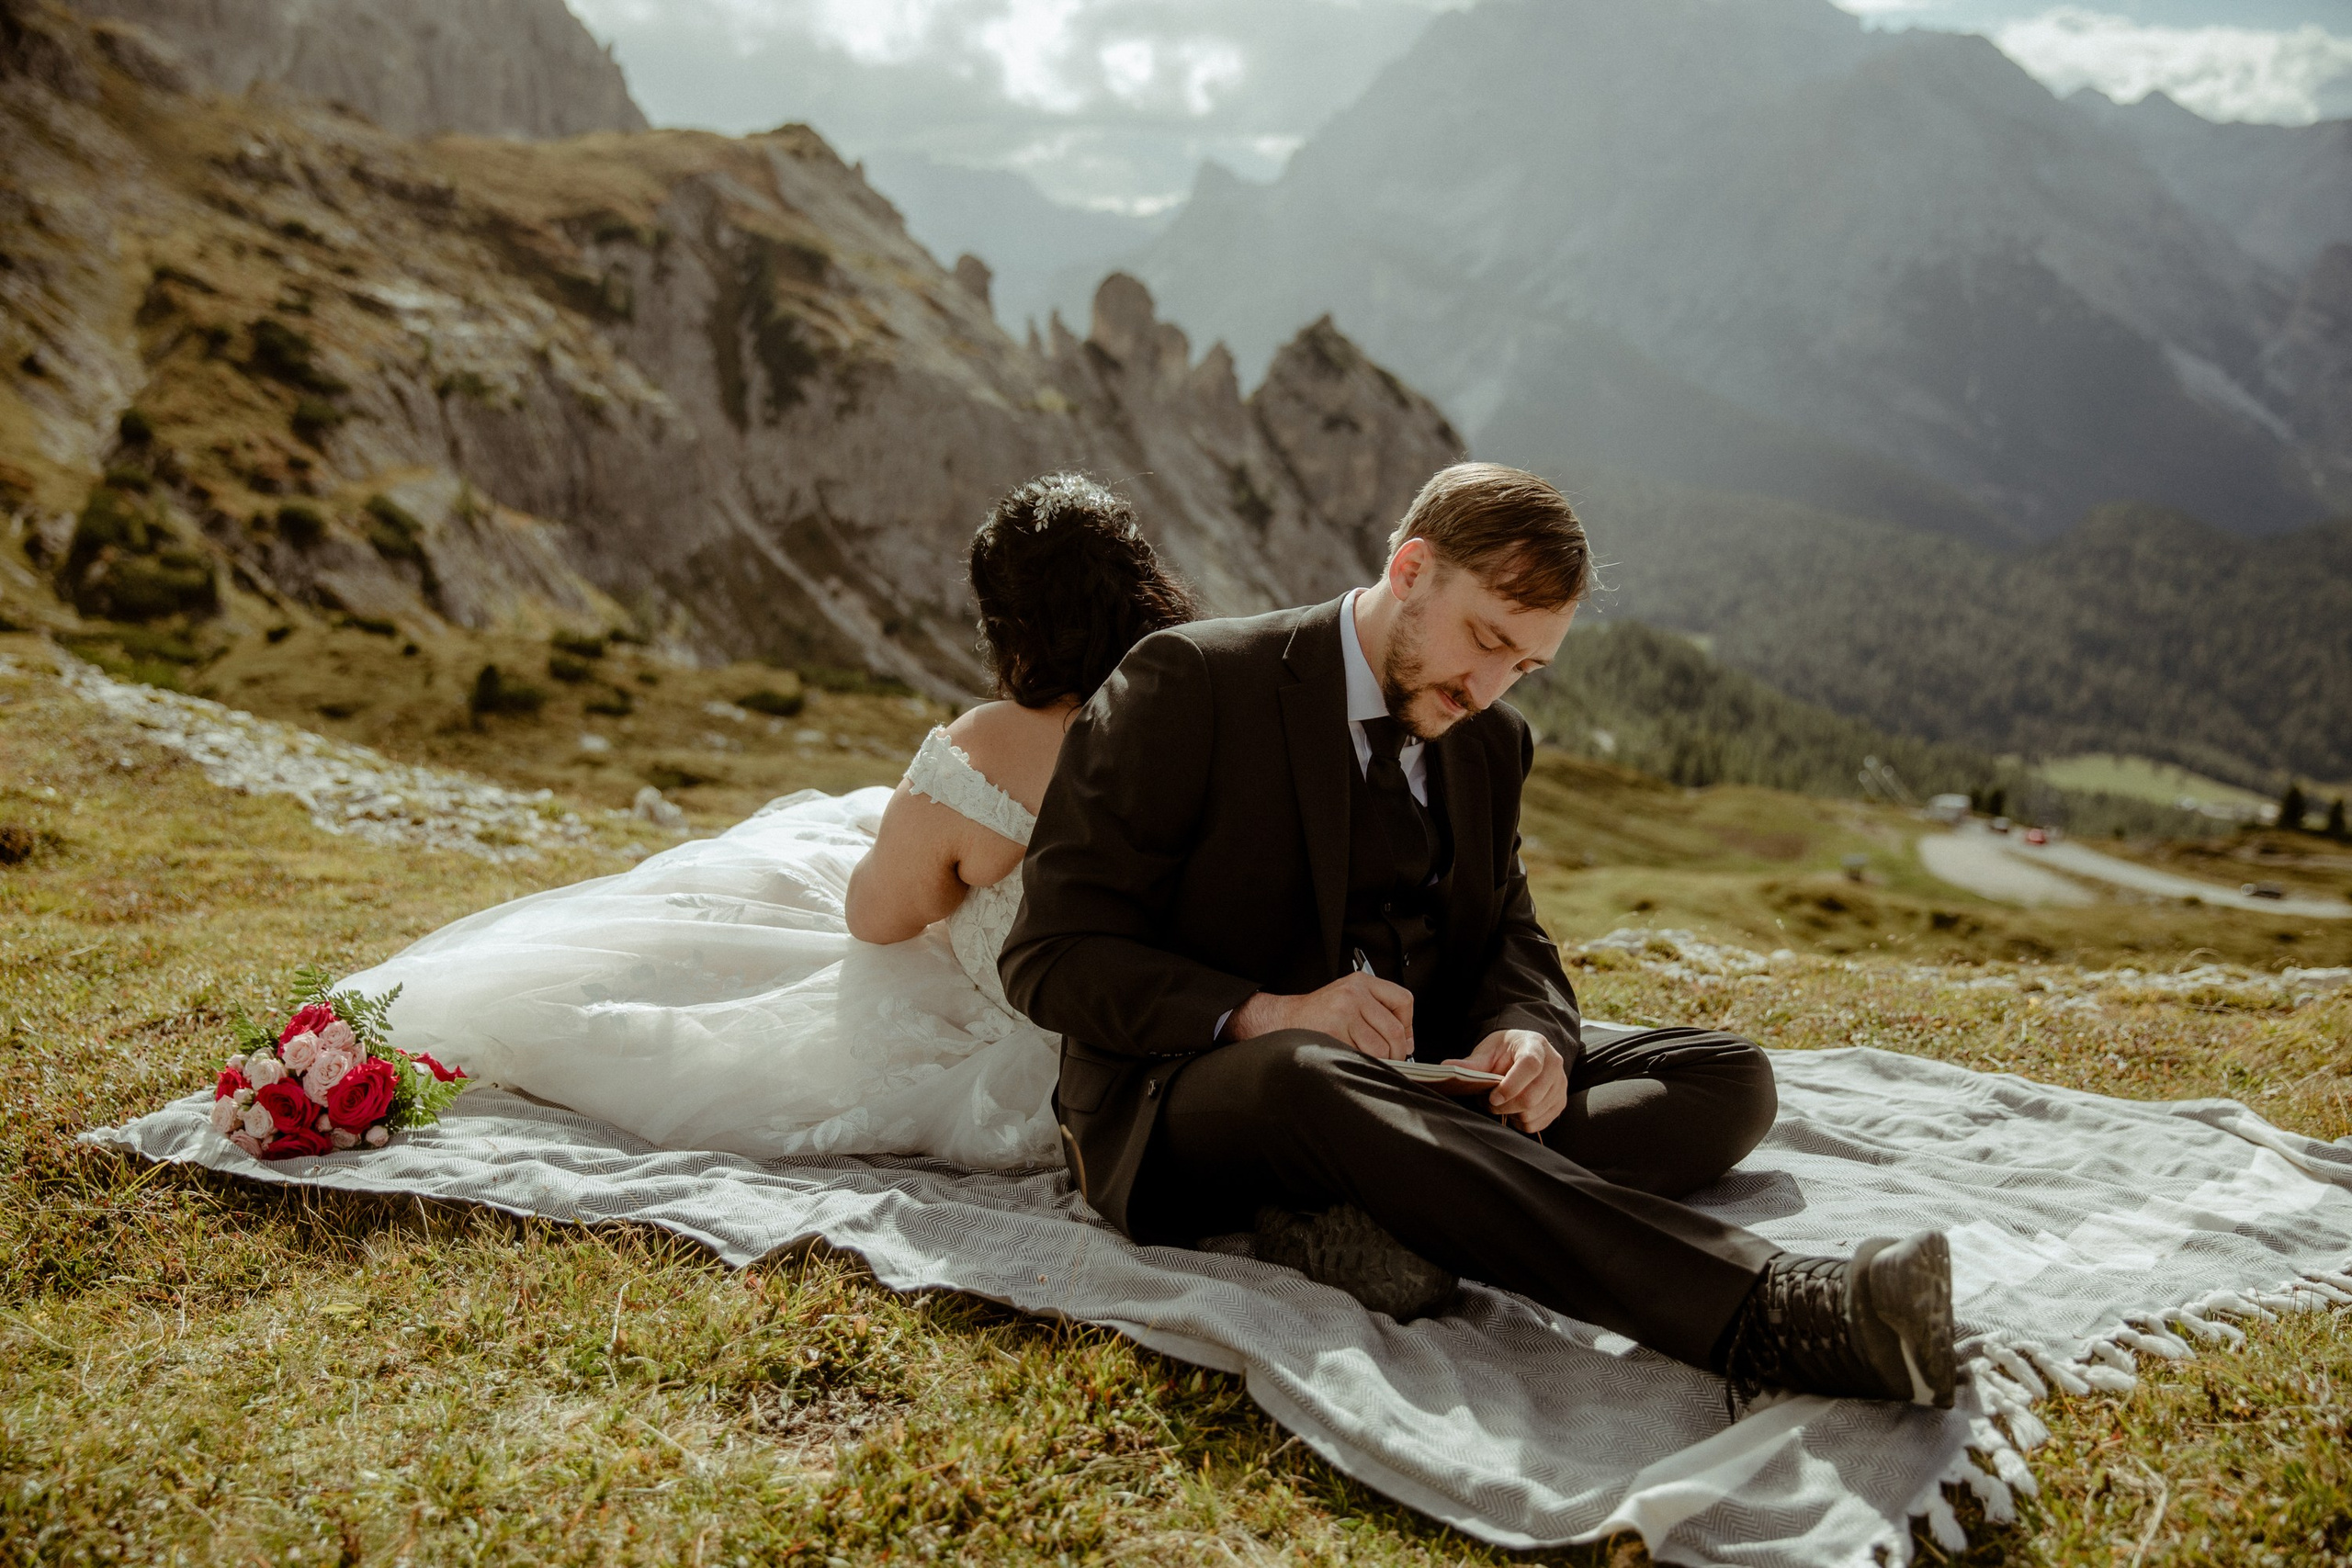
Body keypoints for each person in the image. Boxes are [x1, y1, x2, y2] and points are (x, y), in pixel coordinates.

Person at [1000, 461, 1956, 1409]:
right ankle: (1774, 1310)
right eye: (1486, 641)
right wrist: (1265, 1011)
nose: (1490, 689)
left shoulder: (1494, 744)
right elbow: (1050, 955)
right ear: (1410, 569)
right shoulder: (1192, 683)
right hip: (1198, 1098)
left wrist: (1532, 1031)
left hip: (1421, 1077)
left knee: (1724, 1075)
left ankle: (1399, 1204)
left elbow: (1512, 931)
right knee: (1304, 1071)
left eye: (1525, 667)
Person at [342, 472, 1192, 1169]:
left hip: (1029, 1068)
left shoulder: (991, 748)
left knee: (786, 916)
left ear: (1013, 625)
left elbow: (877, 915)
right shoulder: (1205, 714)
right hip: (1186, 1035)